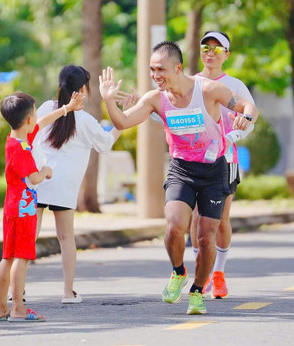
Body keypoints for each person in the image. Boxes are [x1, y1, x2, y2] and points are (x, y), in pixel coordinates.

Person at [99, 41, 257, 316]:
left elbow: (247, 106)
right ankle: (178, 272)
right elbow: (123, 122)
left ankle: (197, 291)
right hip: (181, 169)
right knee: (173, 226)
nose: (155, 75)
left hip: (213, 170)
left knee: (206, 237)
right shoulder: (154, 99)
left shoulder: (208, 90)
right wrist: (108, 100)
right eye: (152, 70)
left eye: (161, 69)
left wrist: (245, 117)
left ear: (178, 68)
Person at [0, 90, 84, 322]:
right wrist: (46, 171)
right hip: (25, 210)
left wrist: (65, 109)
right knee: (21, 257)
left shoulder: (15, 141)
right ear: (27, 120)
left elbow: (41, 123)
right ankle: (18, 308)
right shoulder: (22, 151)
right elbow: (33, 178)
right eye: (34, 114)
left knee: (7, 257)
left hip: (11, 208)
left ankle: (1, 306)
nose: (36, 119)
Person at [32, 65, 122, 304]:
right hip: (64, 188)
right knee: (66, 239)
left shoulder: (46, 109)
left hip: (39, 180)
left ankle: (15, 290)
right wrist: (122, 121)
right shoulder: (85, 120)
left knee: (28, 237)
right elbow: (105, 144)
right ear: (82, 89)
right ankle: (67, 292)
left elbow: (34, 129)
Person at [188, 31, 254, 300]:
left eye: (218, 48)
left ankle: (219, 274)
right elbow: (167, 111)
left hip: (226, 160)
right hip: (193, 160)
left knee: (221, 221)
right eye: (206, 47)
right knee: (195, 219)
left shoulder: (235, 86)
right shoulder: (189, 83)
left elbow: (250, 116)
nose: (211, 52)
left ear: (226, 55)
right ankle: (200, 274)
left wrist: (237, 131)